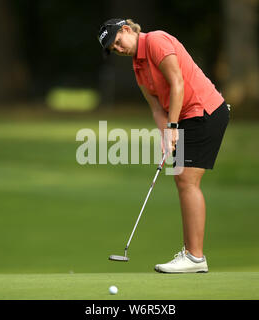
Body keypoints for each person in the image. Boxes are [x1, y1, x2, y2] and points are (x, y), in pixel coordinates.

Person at [98, 18, 229, 273]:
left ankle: (194, 257)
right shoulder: (138, 68)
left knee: (186, 179)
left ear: (127, 30)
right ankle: (192, 256)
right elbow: (157, 107)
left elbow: (177, 82)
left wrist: (172, 128)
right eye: (114, 49)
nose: (119, 49)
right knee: (182, 179)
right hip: (184, 117)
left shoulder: (156, 41)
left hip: (204, 110)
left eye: (118, 41)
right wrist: (165, 135)